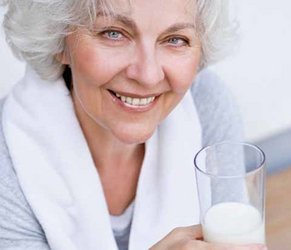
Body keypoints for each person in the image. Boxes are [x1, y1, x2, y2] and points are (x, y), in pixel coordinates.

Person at [0, 0, 266, 249]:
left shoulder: (207, 106)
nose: (148, 75)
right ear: (59, 39)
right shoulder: (9, 158)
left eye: (175, 39)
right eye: (113, 33)